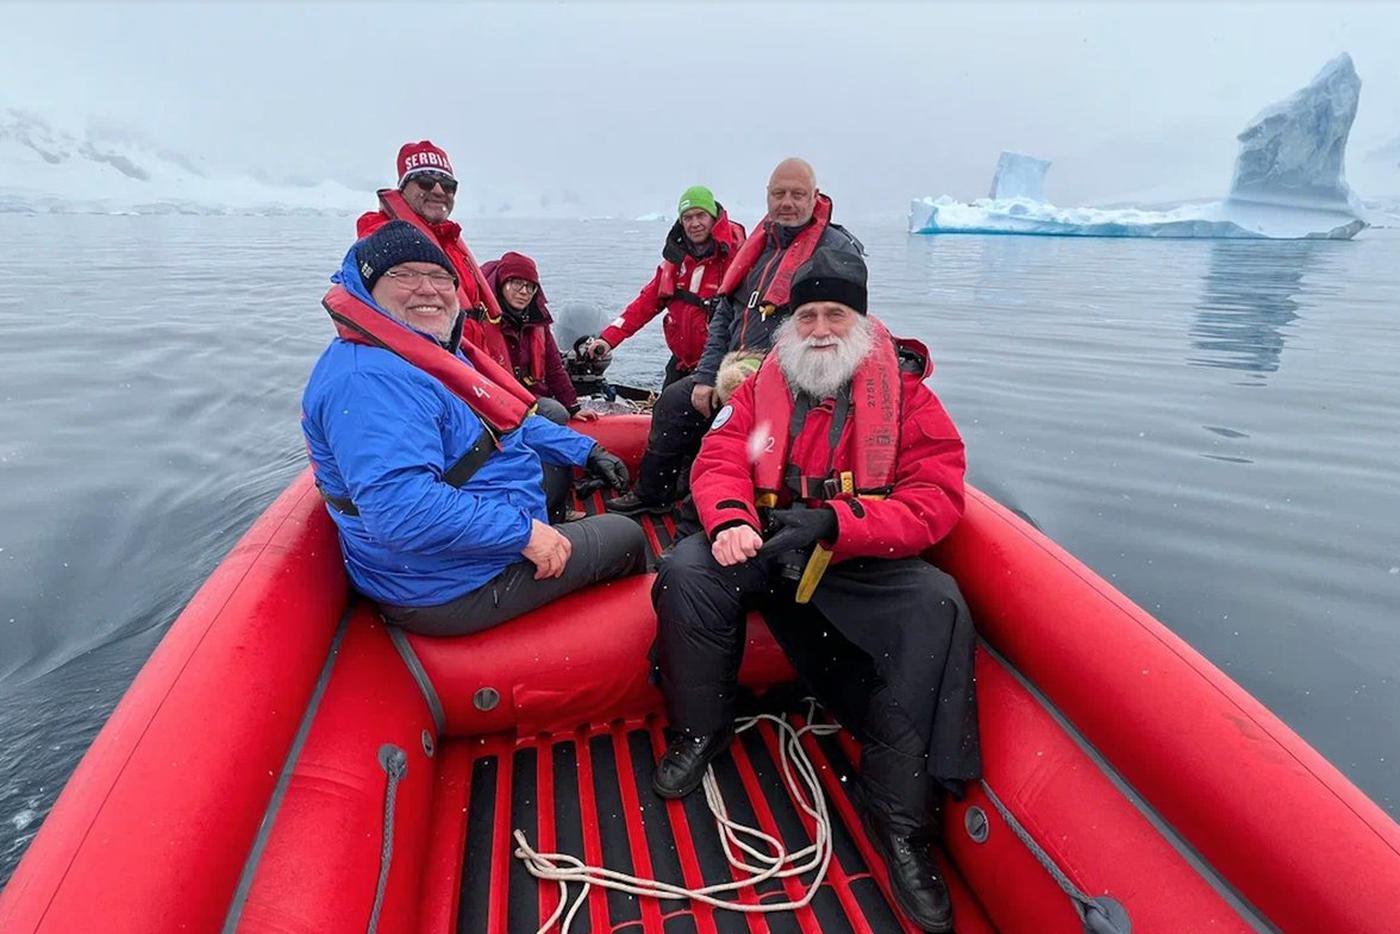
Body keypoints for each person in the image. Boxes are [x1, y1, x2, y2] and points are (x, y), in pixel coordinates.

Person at [649, 252, 981, 933]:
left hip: (848, 549)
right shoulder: (761, 385)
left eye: (836, 315)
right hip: (766, 542)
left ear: (860, 321)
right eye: (809, 316)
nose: (822, 328)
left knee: (937, 605)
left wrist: (840, 521)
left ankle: (899, 821)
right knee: (685, 574)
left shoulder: (908, 397)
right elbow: (720, 458)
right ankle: (700, 730)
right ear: (790, 323)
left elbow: (934, 499)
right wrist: (732, 520)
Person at [302, 220, 646, 637]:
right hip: (442, 585)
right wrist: (524, 534)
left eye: (439, 277)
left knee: (552, 448)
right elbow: (401, 510)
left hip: (463, 554)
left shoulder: (422, 353)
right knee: (626, 537)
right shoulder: (367, 380)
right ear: (367, 288)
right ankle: (616, 647)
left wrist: (587, 451)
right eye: (404, 275)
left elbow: (509, 423)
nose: (427, 289)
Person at [606, 158, 863, 516]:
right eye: (779, 194)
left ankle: (710, 513)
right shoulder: (757, 246)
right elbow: (724, 314)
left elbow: (843, 331)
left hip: (791, 385)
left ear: (815, 196)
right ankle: (655, 493)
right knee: (673, 403)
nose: (787, 202)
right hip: (733, 371)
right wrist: (706, 376)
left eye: (797, 194)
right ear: (767, 197)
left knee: (728, 444)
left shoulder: (835, 249)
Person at [357, 140, 515, 378]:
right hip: (432, 375)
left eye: (449, 185)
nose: (440, 191)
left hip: (473, 367)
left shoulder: (449, 240)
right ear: (403, 189)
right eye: (426, 181)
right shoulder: (383, 241)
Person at [582, 185, 746, 388]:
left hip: (720, 366)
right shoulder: (676, 262)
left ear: (713, 217)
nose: (694, 223)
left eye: (700, 215)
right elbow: (644, 304)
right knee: (664, 412)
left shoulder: (738, 258)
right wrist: (608, 339)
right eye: (687, 217)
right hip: (682, 363)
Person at [481, 251, 591, 424]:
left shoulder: (537, 320)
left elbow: (553, 366)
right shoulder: (482, 319)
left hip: (527, 394)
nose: (524, 292)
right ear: (502, 283)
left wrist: (573, 406)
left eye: (530, 286)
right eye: (517, 283)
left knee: (557, 413)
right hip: (490, 395)